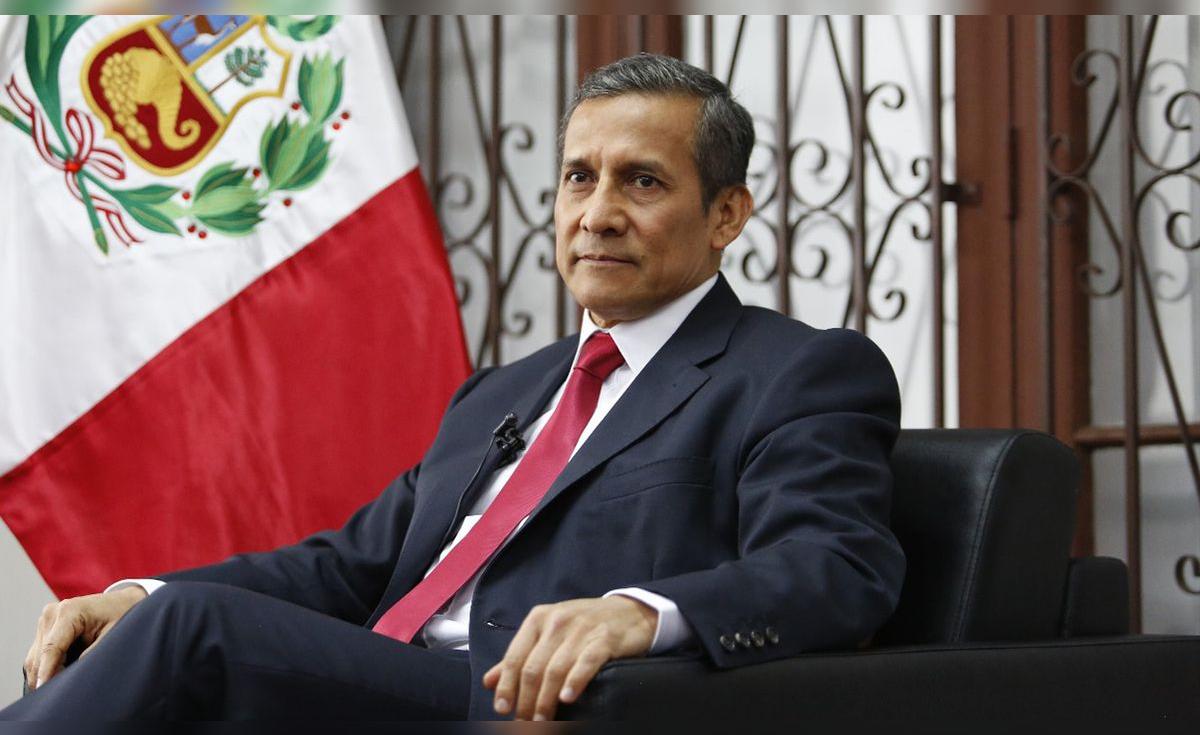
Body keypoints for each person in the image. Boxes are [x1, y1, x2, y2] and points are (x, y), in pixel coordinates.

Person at [4, 53, 904, 721]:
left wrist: (639, 614)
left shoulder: (796, 372)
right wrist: (137, 595)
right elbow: (348, 566)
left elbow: (837, 566)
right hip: (369, 681)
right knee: (152, 629)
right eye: (579, 178)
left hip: (510, 700)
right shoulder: (501, 392)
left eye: (642, 182)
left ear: (726, 215)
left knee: (192, 630)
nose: (598, 214)